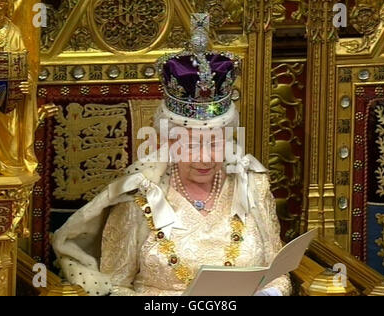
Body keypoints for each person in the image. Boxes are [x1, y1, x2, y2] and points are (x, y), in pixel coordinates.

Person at [53, 13, 292, 296]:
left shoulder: (253, 185)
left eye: (214, 144)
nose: (204, 158)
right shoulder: (139, 197)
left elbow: (279, 275)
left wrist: (269, 294)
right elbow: (115, 287)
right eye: (190, 146)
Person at [0, 0, 55, 176]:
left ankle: (10, 161)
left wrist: (27, 82)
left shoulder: (14, 32)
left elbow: (24, 67)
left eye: (1, 6)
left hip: (8, 93)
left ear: (8, 8)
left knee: (11, 110)